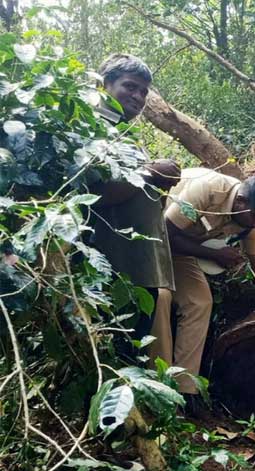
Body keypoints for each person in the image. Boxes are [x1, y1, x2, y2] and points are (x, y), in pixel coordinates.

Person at [150, 168, 255, 414]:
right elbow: (164, 233)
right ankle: (156, 386)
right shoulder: (207, 189)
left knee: (200, 302)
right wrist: (215, 254)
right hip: (152, 240)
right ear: (240, 201)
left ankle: (183, 392)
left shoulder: (249, 221)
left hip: (185, 251)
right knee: (162, 298)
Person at [92, 54, 179, 349]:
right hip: (116, 270)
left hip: (139, 269)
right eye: (130, 86)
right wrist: (150, 172)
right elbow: (92, 192)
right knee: (115, 353)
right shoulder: (93, 128)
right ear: (105, 85)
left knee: (133, 349)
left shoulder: (125, 133)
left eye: (143, 91)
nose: (138, 96)